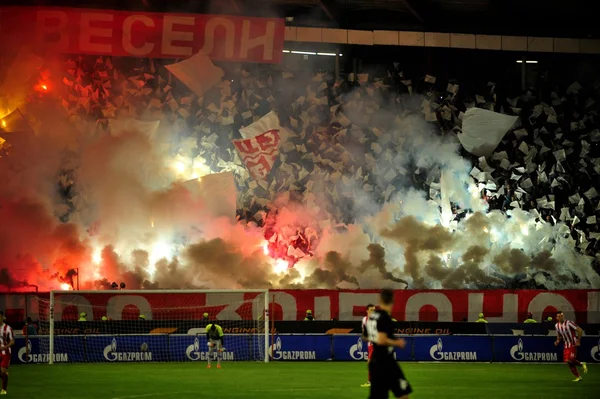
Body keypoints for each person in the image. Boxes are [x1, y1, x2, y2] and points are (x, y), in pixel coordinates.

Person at [364, 289, 412, 399]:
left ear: (380, 300)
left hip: (375, 362)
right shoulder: (385, 318)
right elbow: (382, 340)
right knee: (403, 394)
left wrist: (375, 338)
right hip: (386, 362)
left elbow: (365, 336)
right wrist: (397, 342)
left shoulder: (372, 316)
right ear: (393, 301)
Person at [554, 311, 588, 382]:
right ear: (557, 318)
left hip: (573, 343)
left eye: (561, 316)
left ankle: (581, 365)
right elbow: (559, 336)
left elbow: (580, 330)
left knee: (570, 360)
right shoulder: (557, 325)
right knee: (568, 361)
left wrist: (578, 341)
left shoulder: (569, 323)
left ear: (563, 316)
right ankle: (578, 376)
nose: (560, 317)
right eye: (559, 316)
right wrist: (557, 341)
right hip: (566, 345)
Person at [361, 304, 376, 388]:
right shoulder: (364, 319)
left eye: (374, 310)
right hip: (370, 344)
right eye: (371, 310)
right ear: (367, 311)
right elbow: (364, 332)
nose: (373, 311)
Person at [0, 311, 15, 395]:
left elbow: (12, 341)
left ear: (3, 317)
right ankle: (5, 375)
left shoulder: (8, 328)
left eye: (0, 316)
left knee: (2, 371)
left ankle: (4, 390)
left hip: (5, 352)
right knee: (2, 373)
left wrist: (5, 347)